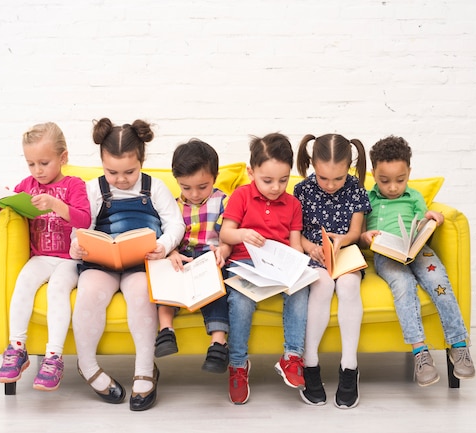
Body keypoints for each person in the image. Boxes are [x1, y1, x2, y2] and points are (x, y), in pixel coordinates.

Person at [69, 118, 185, 411]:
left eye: (129, 172)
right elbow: (81, 225)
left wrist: (164, 245)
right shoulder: (93, 189)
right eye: (112, 172)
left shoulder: (154, 188)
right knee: (89, 295)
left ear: (142, 161)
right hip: (101, 261)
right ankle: (87, 364)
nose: (121, 179)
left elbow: (176, 224)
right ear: (101, 164)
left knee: (141, 295)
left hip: (140, 261)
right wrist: (79, 247)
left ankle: (146, 368)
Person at [360, 135, 476, 387]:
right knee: (403, 287)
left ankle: (459, 345)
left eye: (400, 180)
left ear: (409, 173)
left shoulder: (413, 196)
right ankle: (420, 353)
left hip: (419, 250)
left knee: (439, 283)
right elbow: (358, 236)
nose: (392, 187)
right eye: (384, 180)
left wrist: (432, 218)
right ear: (373, 173)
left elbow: (423, 219)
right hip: (388, 255)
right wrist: (365, 237)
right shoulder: (368, 199)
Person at [0, 122, 91, 391]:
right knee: (23, 282)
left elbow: (84, 219)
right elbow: (14, 207)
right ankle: (17, 347)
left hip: (69, 259)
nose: (37, 171)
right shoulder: (27, 185)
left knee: (58, 290)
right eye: (31, 164)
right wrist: (5, 204)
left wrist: (55, 204)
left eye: (44, 163)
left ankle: (54, 356)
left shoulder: (74, 185)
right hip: (41, 256)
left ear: (63, 158)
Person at [220, 132, 309, 405]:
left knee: (300, 290)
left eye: (283, 180)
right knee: (240, 301)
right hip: (245, 264)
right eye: (267, 180)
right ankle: (237, 365)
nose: (275, 188)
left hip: (279, 266)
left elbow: (295, 245)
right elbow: (226, 233)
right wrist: (243, 234)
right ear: (251, 172)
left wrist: (299, 266)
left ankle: (292, 358)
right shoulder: (241, 196)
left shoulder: (293, 204)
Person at [293, 133, 370, 408]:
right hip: (314, 252)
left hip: (345, 251)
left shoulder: (357, 190)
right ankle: (310, 362)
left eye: (338, 179)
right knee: (322, 284)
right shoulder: (301, 191)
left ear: (349, 168)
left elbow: (355, 232)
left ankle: (349, 366)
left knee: (349, 285)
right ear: (313, 164)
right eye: (324, 178)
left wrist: (341, 241)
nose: (330, 185)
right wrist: (310, 247)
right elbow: (296, 234)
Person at [154, 139, 231, 373]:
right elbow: (165, 234)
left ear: (215, 177)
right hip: (183, 256)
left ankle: (218, 342)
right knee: (164, 279)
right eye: (186, 187)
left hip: (210, 256)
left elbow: (228, 232)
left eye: (202, 186)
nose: (194, 194)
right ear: (177, 181)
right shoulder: (171, 205)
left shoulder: (223, 201)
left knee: (218, 289)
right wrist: (172, 252)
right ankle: (166, 331)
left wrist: (223, 250)